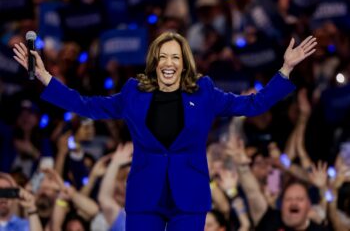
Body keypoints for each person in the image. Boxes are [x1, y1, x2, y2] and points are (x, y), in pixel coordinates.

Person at [13, 31, 317, 231]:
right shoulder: (133, 93)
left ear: (184, 63)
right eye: (163, 56)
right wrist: (44, 76)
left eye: (176, 56)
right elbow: (86, 105)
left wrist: (285, 70)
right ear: (154, 62)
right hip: (145, 196)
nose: (169, 62)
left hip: (189, 196)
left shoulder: (205, 92)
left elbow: (253, 104)